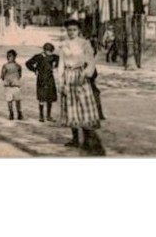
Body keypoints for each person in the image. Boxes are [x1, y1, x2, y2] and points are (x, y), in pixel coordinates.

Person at [58, 19, 105, 155]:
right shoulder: (64, 45)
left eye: (74, 30)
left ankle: (87, 140)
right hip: (68, 76)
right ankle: (75, 139)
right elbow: (61, 64)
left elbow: (91, 61)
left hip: (81, 76)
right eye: (69, 30)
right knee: (71, 107)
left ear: (78, 30)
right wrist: (61, 82)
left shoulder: (84, 44)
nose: (71, 32)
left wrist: (85, 74)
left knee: (84, 107)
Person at [25, 42, 59, 122]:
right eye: (48, 51)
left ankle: (49, 116)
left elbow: (60, 60)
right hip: (41, 79)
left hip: (50, 79)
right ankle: (41, 116)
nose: (50, 53)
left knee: (50, 97)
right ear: (44, 50)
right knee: (42, 98)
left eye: (51, 51)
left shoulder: (54, 57)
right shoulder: (39, 57)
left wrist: (55, 65)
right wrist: (35, 70)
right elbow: (28, 63)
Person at [0, 50, 23, 120]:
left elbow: (2, 76)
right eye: (8, 56)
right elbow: (20, 75)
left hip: (13, 85)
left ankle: (17, 113)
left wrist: (7, 79)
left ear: (14, 57)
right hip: (13, 85)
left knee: (16, 100)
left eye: (10, 56)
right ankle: (12, 113)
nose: (9, 57)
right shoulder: (17, 66)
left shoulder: (7, 66)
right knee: (11, 100)